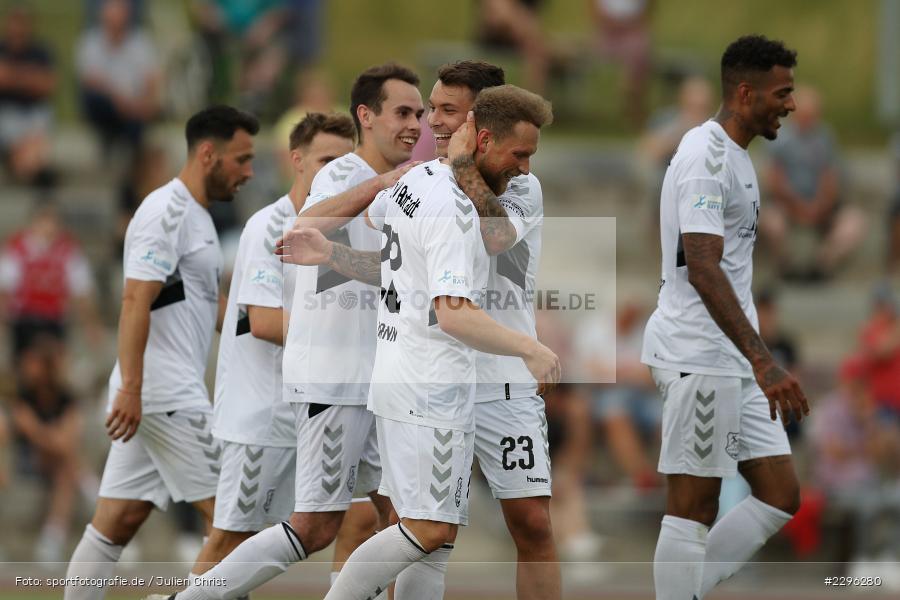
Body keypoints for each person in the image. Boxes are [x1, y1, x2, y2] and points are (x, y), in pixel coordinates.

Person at [282, 60, 562, 600]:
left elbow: (498, 237)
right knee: (427, 530)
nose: (431, 122)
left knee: (530, 523)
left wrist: (462, 171)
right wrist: (336, 253)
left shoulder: (522, 184)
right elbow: (400, 270)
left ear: (479, 124)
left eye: (445, 111)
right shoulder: (423, 182)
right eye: (429, 108)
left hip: (502, 376)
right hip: (437, 372)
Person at [145, 64, 422, 600]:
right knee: (301, 528)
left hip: (372, 384)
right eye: (403, 112)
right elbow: (301, 242)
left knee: (409, 520)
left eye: (421, 114)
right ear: (367, 117)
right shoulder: (339, 181)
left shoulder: (400, 188)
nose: (415, 124)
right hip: (318, 387)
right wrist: (382, 184)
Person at [63, 105, 259, 600]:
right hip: (162, 391)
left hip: (156, 391)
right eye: (241, 159)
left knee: (115, 522)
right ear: (208, 154)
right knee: (235, 520)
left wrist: (271, 327)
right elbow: (134, 299)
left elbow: (203, 303)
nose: (249, 172)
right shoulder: (166, 212)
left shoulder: (199, 217)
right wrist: (132, 387)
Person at [640, 35, 809, 600]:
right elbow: (704, 268)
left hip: (732, 355)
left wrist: (754, 357)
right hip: (698, 353)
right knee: (693, 508)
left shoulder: (736, 156)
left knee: (780, 493)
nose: (791, 103)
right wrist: (765, 362)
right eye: (782, 92)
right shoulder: (704, 155)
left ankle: (681, 592)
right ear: (744, 92)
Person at [189, 113, 357, 585]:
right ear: (296, 161)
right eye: (327, 160)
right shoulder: (271, 226)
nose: (337, 173)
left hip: (315, 408)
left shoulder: (344, 233)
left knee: (352, 521)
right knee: (229, 538)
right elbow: (262, 322)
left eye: (348, 162)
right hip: (265, 413)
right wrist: (349, 331)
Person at [760, 85, 866, 281]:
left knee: (854, 223)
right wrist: (799, 206)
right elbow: (775, 181)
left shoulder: (826, 137)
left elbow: (831, 177)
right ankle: (787, 266)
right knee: (772, 222)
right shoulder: (777, 137)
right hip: (786, 205)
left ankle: (822, 265)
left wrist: (819, 205)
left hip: (823, 207)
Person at [9, 334, 95, 563]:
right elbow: (31, 431)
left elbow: (70, 435)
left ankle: (52, 540)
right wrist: (54, 438)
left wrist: (54, 439)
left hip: (58, 461)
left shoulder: (66, 397)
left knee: (65, 469)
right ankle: (87, 483)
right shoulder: (23, 396)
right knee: (65, 458)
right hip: (28, 460)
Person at [0, 197, 104, 360]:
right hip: (24, 320)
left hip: (54, 321)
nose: (49, 227)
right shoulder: (17, 248)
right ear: (33, 222)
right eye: (44, 220)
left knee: (55, 359)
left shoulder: (69, 250)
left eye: (53, 221)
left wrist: (91, 325)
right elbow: (5, 290)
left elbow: (81, 291)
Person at [75, 0, 160, 159]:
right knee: (95, 98)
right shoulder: (90, 41)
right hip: (108, 104)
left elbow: (152, 78)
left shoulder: (141, 41)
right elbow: (89, 81)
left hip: (134, 104)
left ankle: (132, 155)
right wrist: (120, 100)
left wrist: (146, 102)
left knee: (140, 116)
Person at [0, 3, 57, 187]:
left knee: (37, 131)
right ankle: (32, 169)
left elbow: (48, 84)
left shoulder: (41, 51)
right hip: (6, 113)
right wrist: (29, 76)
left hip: (35, 113)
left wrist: (13, 76)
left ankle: (22, 166)